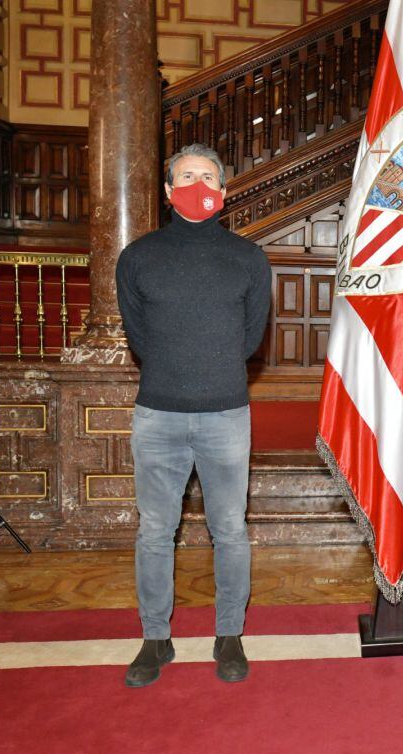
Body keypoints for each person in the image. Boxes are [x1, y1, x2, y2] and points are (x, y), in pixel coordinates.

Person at [116, 143, 271, 687]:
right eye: (186, 176)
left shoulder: (249, 258)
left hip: (225, 413)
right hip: (158, 415)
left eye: (208, 177)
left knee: (229, 529)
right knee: (155, 531)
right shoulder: (137, 257)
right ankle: (155, 639)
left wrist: (210, 370)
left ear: (224, 192)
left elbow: (250, 339)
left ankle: (229, 635)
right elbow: (140, 337)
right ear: (167, 191)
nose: (197, 184)